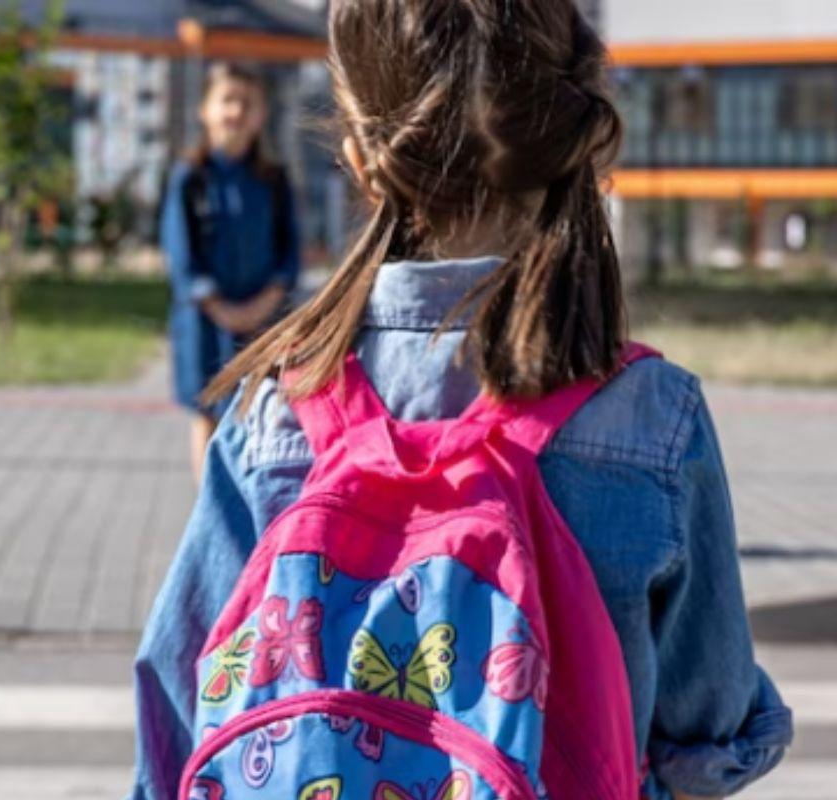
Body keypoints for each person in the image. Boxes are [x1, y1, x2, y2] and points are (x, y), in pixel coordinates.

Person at [131, 2, 792, 799]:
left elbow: (176, 700)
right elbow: (706, 729)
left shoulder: (279, 409)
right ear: (568, 140)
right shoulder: (650, 417)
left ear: (360, 160)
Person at [161, 62, 301, 482]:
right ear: (205, 109)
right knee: (208, 414)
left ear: (261, 115)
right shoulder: (190, 179)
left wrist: (264, 305)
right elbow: (180, 253)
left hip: (263, 324)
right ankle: (211, 511)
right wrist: (220, 309)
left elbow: (289, 255)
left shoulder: (274, 181)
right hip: (206, 324)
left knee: (262, 413)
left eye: (247, 102)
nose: (236, 112)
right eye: (227, 100)